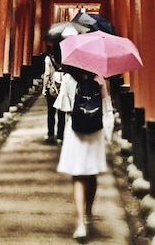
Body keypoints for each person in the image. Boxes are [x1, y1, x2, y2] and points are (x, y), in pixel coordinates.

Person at [53, 66, 114, 241]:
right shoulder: (99, 79)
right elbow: (106, 105)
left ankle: (81, 222)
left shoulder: (69, 78)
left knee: (78, 175)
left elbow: (64, 107)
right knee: (91, 173)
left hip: (76, 130)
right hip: (95, 130)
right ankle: (88, 213)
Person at [41, 45, 65, 144]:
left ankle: (50, 134)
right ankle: (60, 135)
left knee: (51, 112)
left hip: (52, 88)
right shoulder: (65, 57)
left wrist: (44, 88)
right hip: (63, 87)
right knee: (62, 112)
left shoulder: (49, 58)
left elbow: (47, 73)